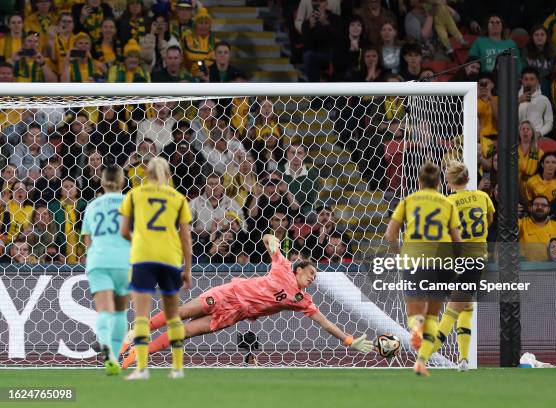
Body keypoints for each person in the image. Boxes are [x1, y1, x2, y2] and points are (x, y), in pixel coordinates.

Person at [120, 234, 373, 368]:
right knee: (182, 312)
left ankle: (139, 354)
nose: (313, 278)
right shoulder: (283, 266)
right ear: (299, 269)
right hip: (229, 294)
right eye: (311, 273)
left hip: (235, 314)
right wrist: (271, 238)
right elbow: (266, 238)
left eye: (315, 276)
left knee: (183, 332)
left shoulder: (301, 300)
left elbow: (326, 323)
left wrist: (349, 340)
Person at [384, 162, 461, 377]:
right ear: (439, 182)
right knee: (433, 316)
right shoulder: (447, 204)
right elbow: (457, 240)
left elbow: (390, 235)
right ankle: (421, 361)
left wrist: (398, 252)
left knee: (415, 312)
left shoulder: (408, 201)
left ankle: (415, 328)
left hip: (414, 259)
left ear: (419, 181)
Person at [119, 157, 193, 380]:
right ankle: (177, 368)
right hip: (170, 258)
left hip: (143, 258)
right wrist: (187, 269)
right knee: (173, 315)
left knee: (141, 316)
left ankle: (142, 369)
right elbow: (186, 238)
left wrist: (138, 244)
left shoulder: (134, 195)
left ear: (146, 173)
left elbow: (123, 231)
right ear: (168, 175)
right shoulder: (178, 198)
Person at [429, 161, 494, 372]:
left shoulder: (447, 202)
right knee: (455, 308)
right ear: (467, 179)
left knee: (464, 305)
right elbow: (490, 219)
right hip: (476, 259)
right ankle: (425, 356)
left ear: (449, 181)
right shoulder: (483, 197)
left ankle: (463, 359)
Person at [81, 166, 130, 376]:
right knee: (120, 312)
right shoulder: (131, 205)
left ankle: (104, 343)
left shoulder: (92, 207)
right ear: (122, 183)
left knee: (104, 311)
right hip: (124, 262)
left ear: (102, 183)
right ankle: (113, 358)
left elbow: (87, 241)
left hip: (99, 261)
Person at [519, 196, 556, 261]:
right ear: (530, 208)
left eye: (543, 205)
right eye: (536, 204)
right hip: (526, 268)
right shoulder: (521, 223)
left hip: (551, 268)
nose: (539, 207)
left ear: (548, 209)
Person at [518, 67, 554, 138]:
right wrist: (518, 102)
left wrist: (540, 133)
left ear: (537, 81)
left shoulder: (544, 99)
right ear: (522, 81)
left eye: (532, 79)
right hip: (517, 137)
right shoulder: (514, 99)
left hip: (537, 137)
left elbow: (549, 123)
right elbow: (506, 119)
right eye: (526, 79)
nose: (528, 82)